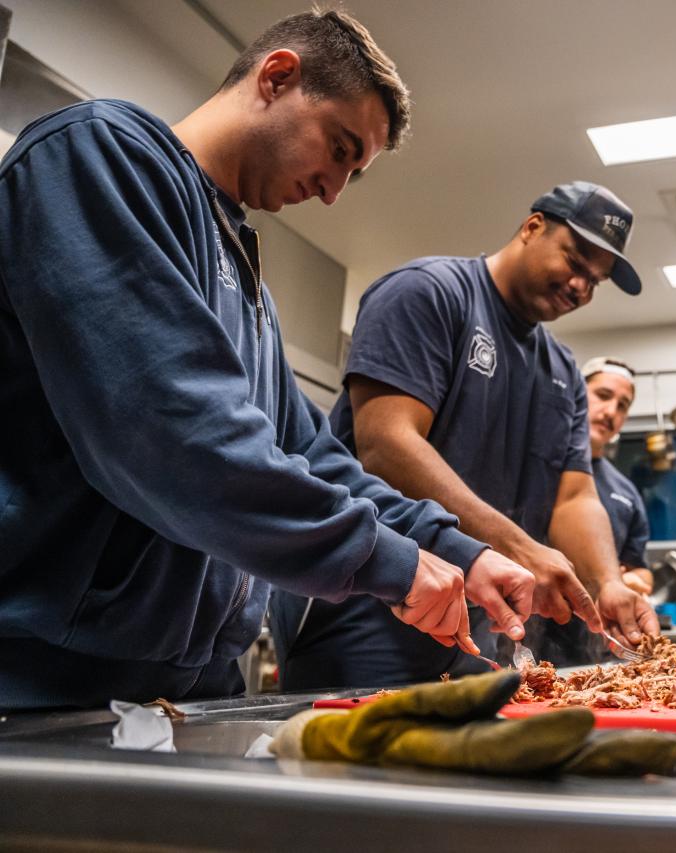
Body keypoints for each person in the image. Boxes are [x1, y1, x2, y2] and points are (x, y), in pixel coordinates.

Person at [0, 9, 534, 711]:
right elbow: (175, 437)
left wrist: (460, 550)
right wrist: (391, 562)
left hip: (184, 685)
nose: (334, 190)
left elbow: (315, 458)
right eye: (339, 148)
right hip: (46, 679)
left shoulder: (248, 284)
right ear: (277, 77)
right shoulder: (101, 157)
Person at [272, 181, 660, 688]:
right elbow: (386, 444)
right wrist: (516, 546)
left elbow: (573, 496)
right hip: (366, 608)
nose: (581, 286)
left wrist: (608, 583)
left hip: (482, 631)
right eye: (575, 261)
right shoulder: (428, 293)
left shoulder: (562, 367)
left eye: (596, 280)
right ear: (532, 227)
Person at [582, 357, 653, 596]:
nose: (611, 411)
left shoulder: (626, 493)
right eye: (603, 395)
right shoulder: (535, 468)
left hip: (596, 629)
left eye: (622, 405)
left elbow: (639, 569)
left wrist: (631, 579)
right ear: (575, 393)